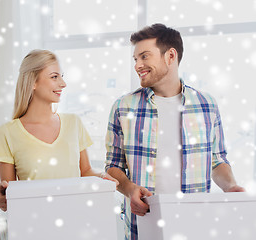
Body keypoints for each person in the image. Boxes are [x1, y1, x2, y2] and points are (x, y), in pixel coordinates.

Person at [105, 23, 245, 240]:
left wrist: (230, 186)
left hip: (195, 223)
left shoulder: (207, 104)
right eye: (135, 59)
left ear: (170, 56)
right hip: (143, 225)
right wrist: (129, 188)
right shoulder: (123, 107)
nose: (137, 65)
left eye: (144, 57)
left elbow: (217, 161)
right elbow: (113, 166)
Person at [0, 49, 118, 211]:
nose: (63, 84)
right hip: (33, 223)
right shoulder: (6, 133)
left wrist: (102, 176)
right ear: (33, 82)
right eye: (54, 77)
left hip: (76, 216)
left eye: (62, 76)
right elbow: (10, 196)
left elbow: (85, 170)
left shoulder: (74, 123)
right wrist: (1, 196)